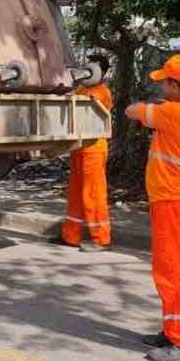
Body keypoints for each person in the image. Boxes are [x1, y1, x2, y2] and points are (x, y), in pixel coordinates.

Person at [125, 54, 180, 361]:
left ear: (175, 86)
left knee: (172, 272)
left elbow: (130, 110)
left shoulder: (173, 113)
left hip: (173, 201)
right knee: (173, 268)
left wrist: (157, 108)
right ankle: (171, 330)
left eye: (164, 81)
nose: (160, 85)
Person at [54, 55, 113, 252]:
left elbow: (86, 105)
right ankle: (70, 235)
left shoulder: (102, 92)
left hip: (94, 148)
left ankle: (101, 239)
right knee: (76, 193)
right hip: (79, 148)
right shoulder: (83, 89)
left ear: (101, 73)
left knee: (94, 194)